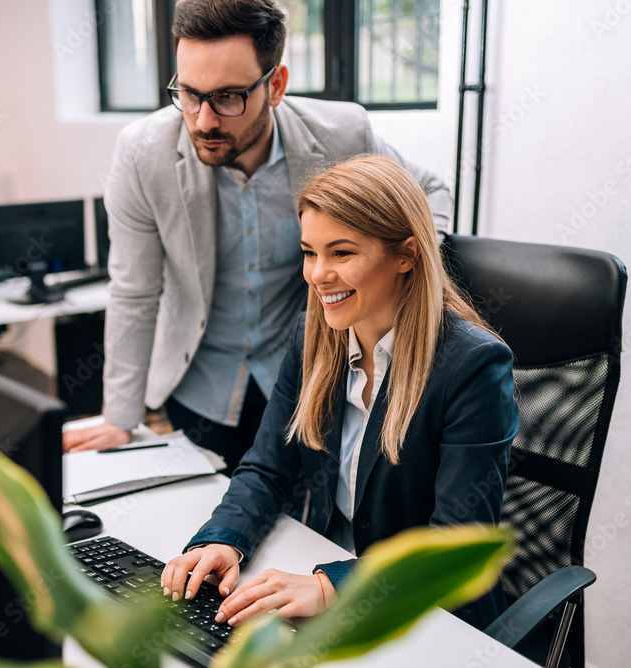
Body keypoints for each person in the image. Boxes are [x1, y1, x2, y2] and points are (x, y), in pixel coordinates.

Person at [62, 0, 452, 473]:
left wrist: (401, 277)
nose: (203, 120)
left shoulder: (342, 134)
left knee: (315, 525)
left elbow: (428, 193)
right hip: (201, 387)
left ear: (276, 86)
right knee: (217, 523)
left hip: (315, 380)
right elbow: (134, 292)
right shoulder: (143, 154)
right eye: (189, 94)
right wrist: (121, 417)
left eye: (228, 97)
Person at [159, 155, 520, 631]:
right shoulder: (314, 336)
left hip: (426, 613)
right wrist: (223, 540)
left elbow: (454, 544)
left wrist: (332, 587)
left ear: (407, 255)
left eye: (342, 253)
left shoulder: (472, 366)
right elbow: (268, 466)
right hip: (321, 575)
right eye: (310, 252)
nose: (317, 274)